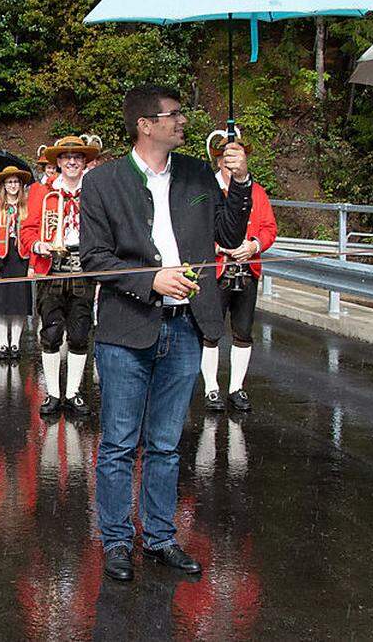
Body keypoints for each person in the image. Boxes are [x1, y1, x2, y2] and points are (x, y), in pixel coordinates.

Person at [81, 84, 252, 581]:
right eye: (173, 115)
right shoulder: (104, 182)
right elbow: (94, 260)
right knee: (118, 441)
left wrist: (238, 182)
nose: (183, 122)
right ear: (145, 124)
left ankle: (159, 536)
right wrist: (149, 280)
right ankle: (116, 540)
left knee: (165, 441)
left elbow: (230, 235)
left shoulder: (200, 173)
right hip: (125, 327)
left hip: (186, 327)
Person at [21, 135, 98, 417]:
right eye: (66, 158)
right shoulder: (43, 193)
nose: (72, 162)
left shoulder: (94, 191)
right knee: (51, 333)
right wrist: (38, 245)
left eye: (77, 157)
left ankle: (74, 393)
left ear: (84, 161)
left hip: (83, 268)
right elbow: (27, 230)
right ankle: (53, 393)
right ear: (58, 162)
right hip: (51, 268)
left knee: (79, 333)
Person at [201, 128, 277, 413]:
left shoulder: (256, 191)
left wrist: (254, 245)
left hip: (247, 269)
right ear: (217, 159)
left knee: (243, 332)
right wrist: (219, 247)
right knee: (211, 331)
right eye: (225, 157)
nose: (230, 162)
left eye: (236, 156)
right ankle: (211, 388)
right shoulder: (207, 190)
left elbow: (269, 228)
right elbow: (195, 228)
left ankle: (237, 387)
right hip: (217, 268)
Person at [0, 166, 33, 359]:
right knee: (0, 302)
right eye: (9, 182)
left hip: (21, 257)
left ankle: (15, 343)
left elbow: (34, 232)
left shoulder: (28, 205)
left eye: (16, 182)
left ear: (20, 185)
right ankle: (3, 343)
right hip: (0, 257)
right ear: (3, 185)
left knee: (19, 302)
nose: (13, 185)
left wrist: (33, 263)